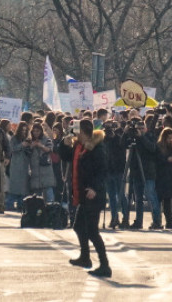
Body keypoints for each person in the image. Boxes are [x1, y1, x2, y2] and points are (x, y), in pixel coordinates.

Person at [66, 119, 111, 278]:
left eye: (76, 131)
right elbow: (65, 156)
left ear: (83, 132)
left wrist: (94, 188)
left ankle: (105, 265)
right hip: (84, 195)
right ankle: (85, 257)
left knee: (92, 231)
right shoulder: (81, 147)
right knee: (78, 226)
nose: (74, 134)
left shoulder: (96, 148)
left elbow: (103, 171)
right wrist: (64, 143)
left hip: (93, 195)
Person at [156, 127, 172, 229]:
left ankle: (169, 221)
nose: (170, 140)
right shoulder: (159, 146)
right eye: (169, 138)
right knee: (158, 199)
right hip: (161, 175)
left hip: (170, 175)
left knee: (168, 200)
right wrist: (167, 160)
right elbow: (157, 159)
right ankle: (158, 220)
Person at [27, 122, 58, 204]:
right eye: (34, 131)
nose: (36, 133)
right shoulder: (29, 141)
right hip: (35, 168)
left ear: (41, 131)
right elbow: (27, 153)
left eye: (37, 131)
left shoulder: (47, 139)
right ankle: (37, 207)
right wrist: (31, 146)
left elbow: (49, 149)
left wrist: (40, 145)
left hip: (46, 168)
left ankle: (51, 206)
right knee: (37, 192)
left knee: (48, 189)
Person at [6, 121, 30, 210]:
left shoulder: (28, 139)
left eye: (25, 130)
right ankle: (9, 205)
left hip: (24, 166)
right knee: (14, 187)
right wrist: (21, 145)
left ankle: (21, 205)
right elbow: (12, 149)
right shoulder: (14, 138)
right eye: (22, 130)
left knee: (23, 187)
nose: (24, 132)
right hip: (16, 165)